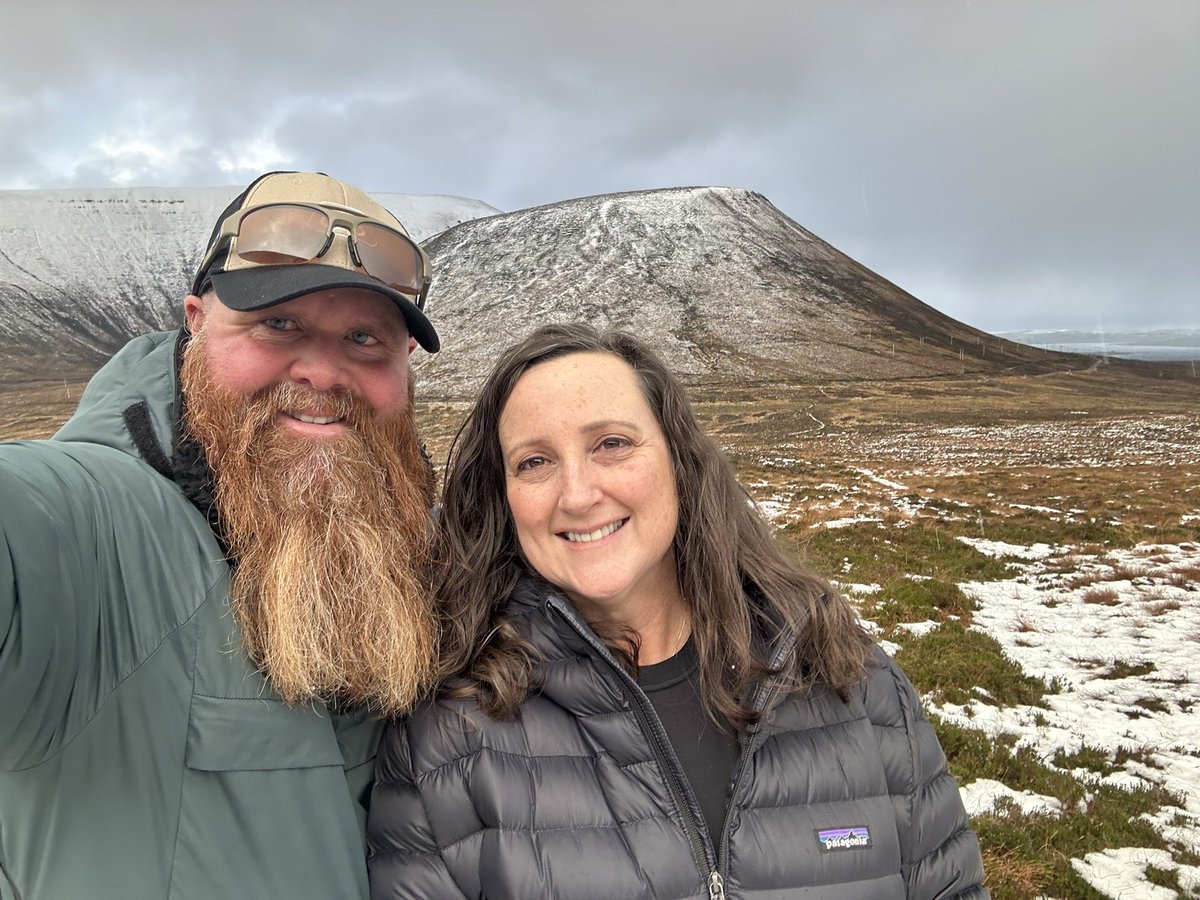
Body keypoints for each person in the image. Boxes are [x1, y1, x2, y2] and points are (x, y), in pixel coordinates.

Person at [368, 323, 988, 899]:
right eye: (534, 462)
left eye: (612, 444)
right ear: (503, 498)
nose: (579, 494)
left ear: (678, 461)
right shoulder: (447, 738)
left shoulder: (851, 681)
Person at [0, 171, 443, 900]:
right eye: (278, 324)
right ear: (196, 322)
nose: (323, 372)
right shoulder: (92, 528)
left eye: (365, 338)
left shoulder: (419, 547)